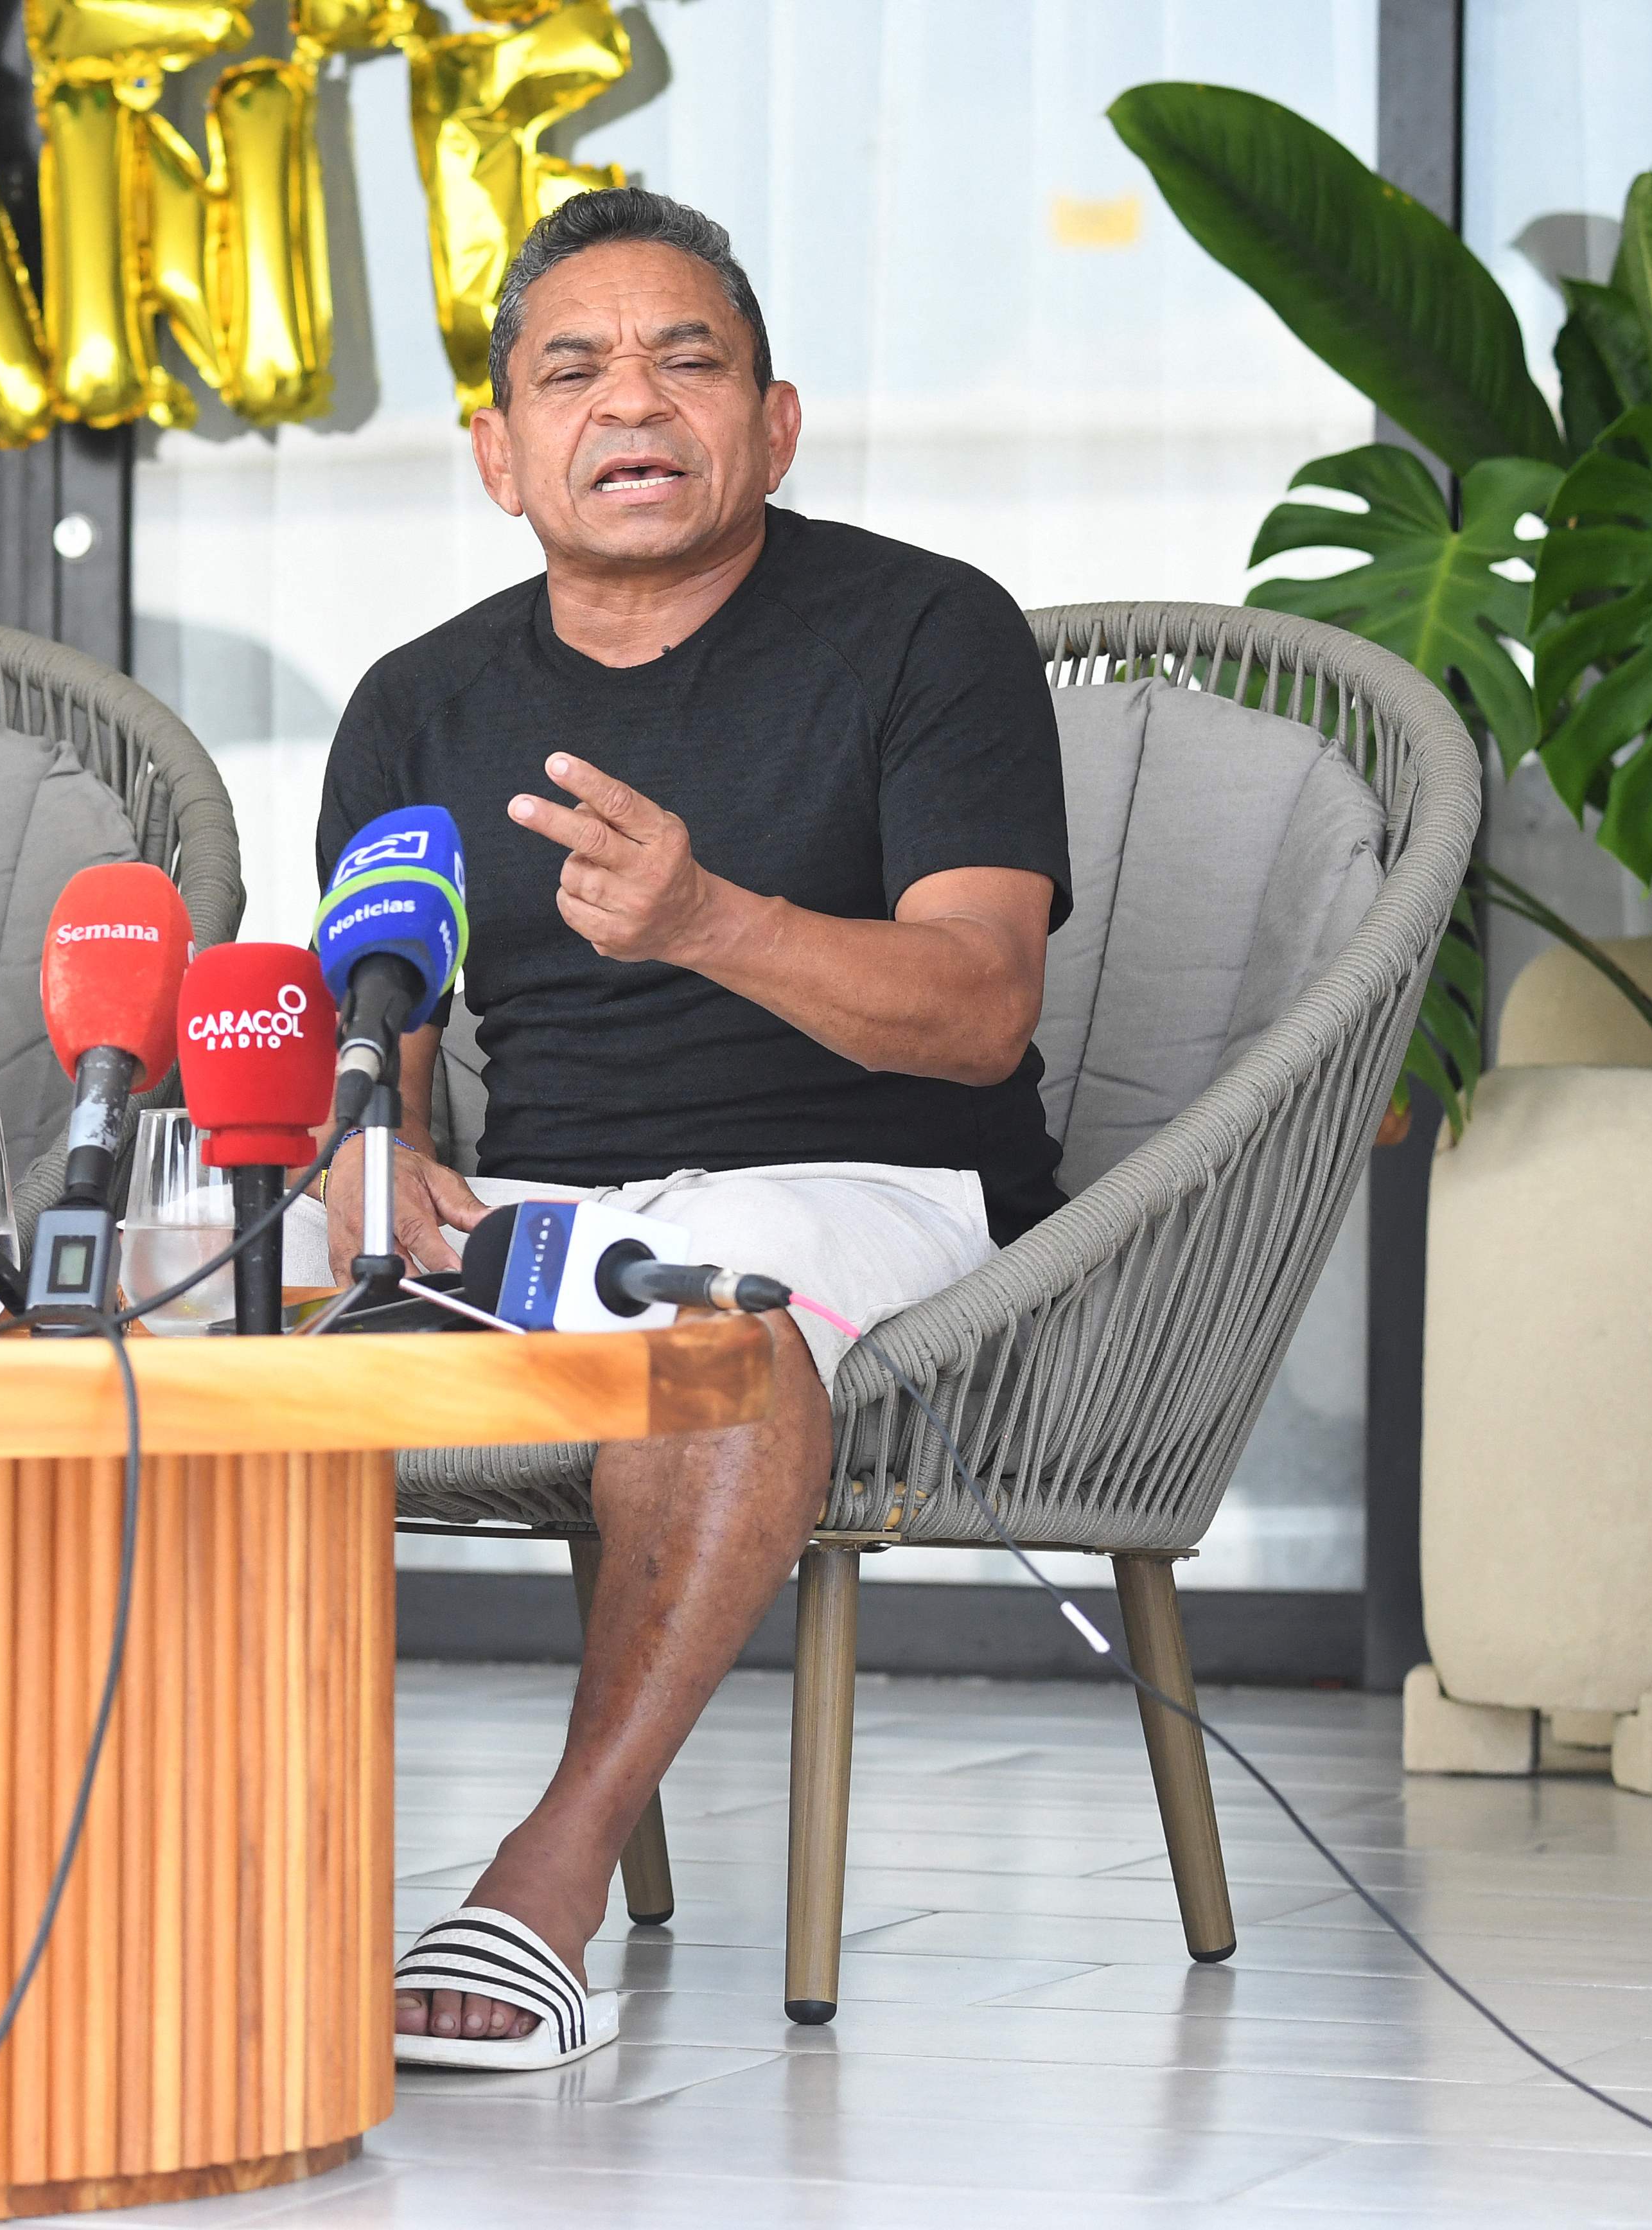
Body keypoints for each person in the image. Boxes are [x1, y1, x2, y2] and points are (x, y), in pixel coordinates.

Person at [301, 187, 1069, 2066]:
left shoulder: (921, 633)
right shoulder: (415, 704)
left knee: (706, 1325)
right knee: (166, 1332)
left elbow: (979, 1015)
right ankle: (186, 1859)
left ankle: (542, 1880)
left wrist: (702, 919)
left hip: (861, 1186)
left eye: (683, 360)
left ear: (773, 421)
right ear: (498, 453)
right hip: (538, 1213)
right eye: (568, 371)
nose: (626, 402)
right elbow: (373, 1045)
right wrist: (358, 1161)